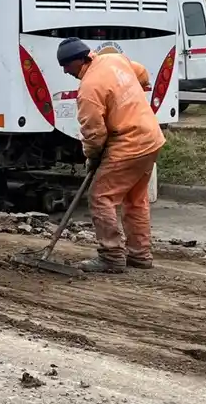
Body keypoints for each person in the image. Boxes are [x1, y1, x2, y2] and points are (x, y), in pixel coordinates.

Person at [56, 36, 166, 273]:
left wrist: (92, 157)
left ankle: (111, 255)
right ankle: (139, 254)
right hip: (151, 138)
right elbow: (143, 74)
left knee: (101, 196)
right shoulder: (114, 59)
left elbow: (93, 132)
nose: (65, 72)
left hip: (129, 143)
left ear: (78, 61)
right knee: (135, 199)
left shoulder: (88, 89)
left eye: (66, 66)